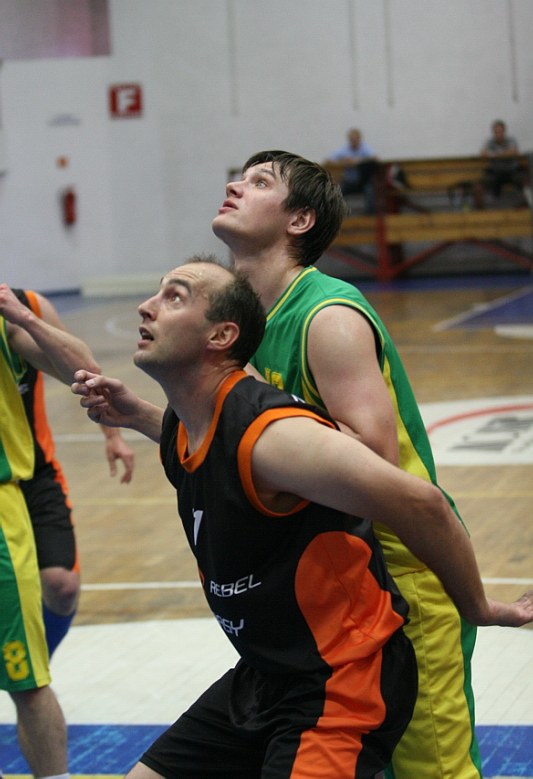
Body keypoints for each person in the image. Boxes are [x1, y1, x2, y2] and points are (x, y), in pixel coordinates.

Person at [71, 258, 533, 779]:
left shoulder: (274, 435)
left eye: (174, 296)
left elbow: (423, 503)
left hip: (342, 678)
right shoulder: (191, 422)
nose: (146, 306)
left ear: (222, 336)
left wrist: (479, 607)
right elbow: (219, 451)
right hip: (266, 673)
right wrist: (136, 415)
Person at [211, 149, 509, 779]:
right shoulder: (250, 323)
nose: (235, 185)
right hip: (336, 585)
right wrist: (141, 415)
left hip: (402, 573)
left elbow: (371, 458)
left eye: (259, 182)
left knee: (433, 771)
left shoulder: (328, 316)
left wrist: (263, 431)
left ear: (299, 221)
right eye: (240, 176)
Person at [0, 282, 103, 778]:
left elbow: (83, 370)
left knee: (30, 674)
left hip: (20, 486)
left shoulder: (13, 313)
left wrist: (21, 317)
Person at [13, 288, 135, 658]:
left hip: (33, 472)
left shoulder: (23, 308)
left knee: (62, 586)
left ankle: (33, 671)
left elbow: (84, 371)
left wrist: (112, 435)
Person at [473, 119, 528, 208]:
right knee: (478, 186)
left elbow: (512, 151)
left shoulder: (511, 140)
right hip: (495, 172)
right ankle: (480, 212)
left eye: (500, 131)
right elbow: (483, 153)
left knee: (527, 182)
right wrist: (500, 153)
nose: (499, 134)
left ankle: (527, 206)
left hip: (512, 171)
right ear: (493, 133)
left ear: (504, 132)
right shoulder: (490, 142)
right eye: (496, 132)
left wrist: (494, 154)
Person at [326, 127, 379, 212]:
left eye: (356, 139)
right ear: (349, 140)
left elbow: (375, 159)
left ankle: (370, 215)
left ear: (359, 139)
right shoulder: (344, 150)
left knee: (370, 190)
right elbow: (328, 161)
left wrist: (357, 162)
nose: (354, 141)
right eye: (352, 139)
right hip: (349, 182)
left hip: (362, 182)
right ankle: (338, 214)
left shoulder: (364, 148)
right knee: (337, 191)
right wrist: (345, 163)